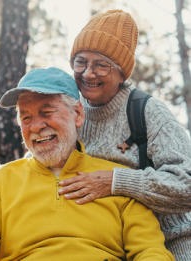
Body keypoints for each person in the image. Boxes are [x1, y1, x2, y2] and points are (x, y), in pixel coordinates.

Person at [0, 67, 174, 261]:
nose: (35, 126)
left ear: (78, 115)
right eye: (25, 117)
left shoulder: (118, 179)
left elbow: (151, 251)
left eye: (46, 111)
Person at [57, 10, 191, 261]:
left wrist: (116, 181)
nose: (87, 73)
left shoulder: (147, 111)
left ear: (122, 73)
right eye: (80, 61)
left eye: (101, 65)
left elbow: (188, 186)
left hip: (167, 244)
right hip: (99, 244)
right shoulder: (70, 112)